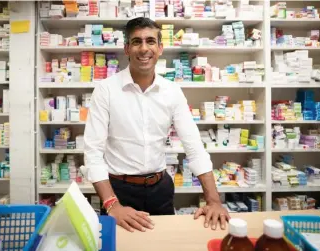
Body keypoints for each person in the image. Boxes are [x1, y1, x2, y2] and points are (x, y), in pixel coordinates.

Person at [84, 17, 230, 233]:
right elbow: (93, 153)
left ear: (160, 48)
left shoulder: (172, 91)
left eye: (150, 41)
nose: (144, 49)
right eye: (136, 42)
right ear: (127, 48)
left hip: (160, 189)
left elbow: (194, 148)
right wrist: (112, 205)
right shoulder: (106, 90)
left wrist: (213, 200)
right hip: (119, 191)